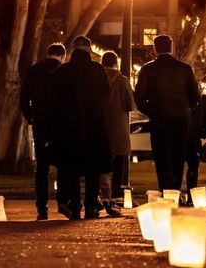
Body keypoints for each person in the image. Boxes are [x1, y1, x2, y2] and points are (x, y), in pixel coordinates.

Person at [52, 35, 112, 219]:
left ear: (73, 49)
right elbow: (106, 93)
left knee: (72, 169)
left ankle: (75, 206)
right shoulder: (97, 70)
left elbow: (57, 99)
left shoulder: (64, 71)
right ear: (88, 48)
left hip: (70, 127)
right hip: (93, 124)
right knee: (92, 169)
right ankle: (91, 205)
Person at [134, 34, 201, 197]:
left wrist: (151, 111)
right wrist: (186, 107)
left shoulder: (148, 69)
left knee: (162, 153)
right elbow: (196, 95)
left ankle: (165, 187)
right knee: (179, 153)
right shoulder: (184, 69)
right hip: (181, 117)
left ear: (155, 48)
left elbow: (139, 97)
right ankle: (175, 188)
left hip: (159, 117)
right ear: (171, 47)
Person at [20, 42, 65, 220]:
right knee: (63, 165)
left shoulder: (34, 71)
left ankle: (42, 208)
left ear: (48, 54)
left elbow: (24, 99)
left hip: (40, 124)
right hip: (60, 124)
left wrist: (31, 117)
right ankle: (62, 201)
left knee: (42, 167)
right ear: (62, 56)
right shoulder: (63, 71)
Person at [100, 50, 135, 208]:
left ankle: (104, 195)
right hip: (119, 126)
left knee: (102, 162)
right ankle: (115, 196)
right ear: (116, 63)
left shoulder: (97, 79)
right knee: (119, 162)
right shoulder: (122, 80)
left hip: (101, 125)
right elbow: (130, 104)